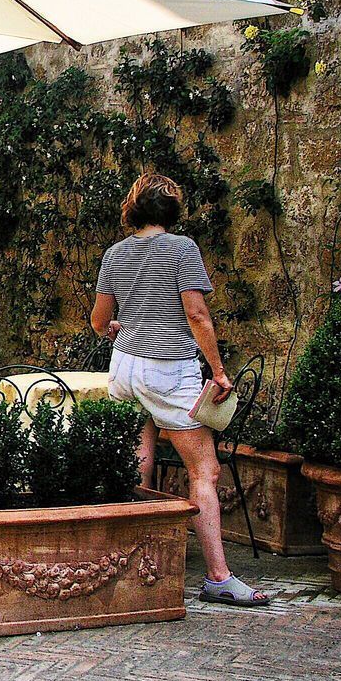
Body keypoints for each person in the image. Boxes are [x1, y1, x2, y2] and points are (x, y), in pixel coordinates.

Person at [90, 173, 269, 607]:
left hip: (126, 368)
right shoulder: (182, 249)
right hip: (169, 370)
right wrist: (219, 370)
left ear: (133, 210)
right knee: (204, 472)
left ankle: (135, 568)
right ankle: (218, 577)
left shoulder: (115, 254)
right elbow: (197, 315)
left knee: (138, 465)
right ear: (171, 211)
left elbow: (99, 322)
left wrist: (117, 328)